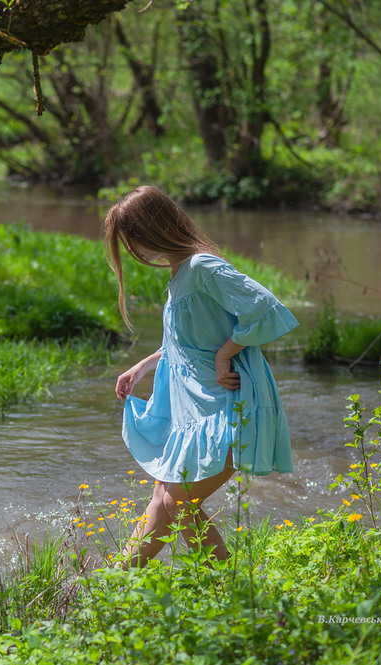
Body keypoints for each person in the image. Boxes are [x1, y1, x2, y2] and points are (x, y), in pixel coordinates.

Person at [103, 186, 298, 568]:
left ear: (155, 227)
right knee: (164, 496)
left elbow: (266, 308)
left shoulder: (202, 267)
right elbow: (188, 343)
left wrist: (228, 352)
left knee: (179, 499)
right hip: (198, 410)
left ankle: (228, 588)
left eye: (134, 239)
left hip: (227, 405)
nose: (134, 251)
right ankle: (117, 580)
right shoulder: (180, 276)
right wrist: (143, 365)